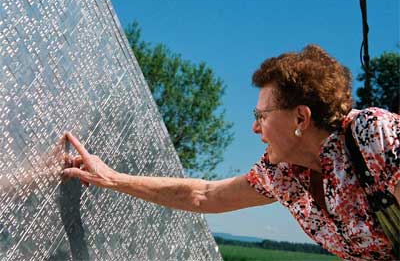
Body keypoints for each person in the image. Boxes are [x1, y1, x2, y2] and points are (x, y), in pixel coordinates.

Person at [62, 45, 400, 260]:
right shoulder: (282, 174)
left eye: (261, 116)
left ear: (301, 117)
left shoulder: (373, 136)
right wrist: (112, 178)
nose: (255, 128)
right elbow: (203, 195)